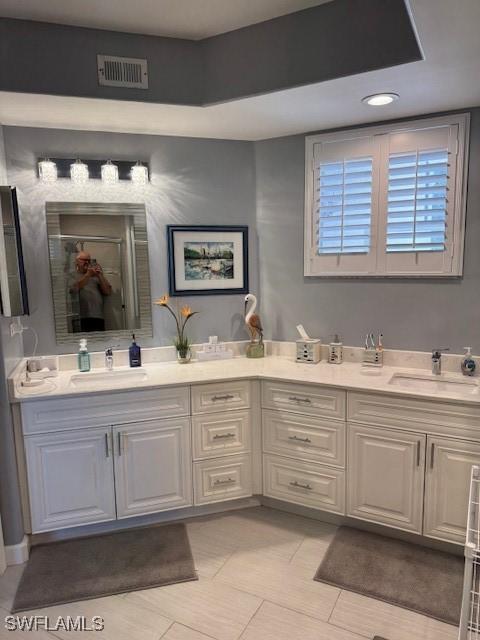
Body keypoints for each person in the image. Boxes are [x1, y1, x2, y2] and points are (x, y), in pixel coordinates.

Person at [69, 251, 112, 332]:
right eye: (84, 260)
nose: (87, 262)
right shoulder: (72, 275)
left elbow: (107, 292)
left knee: (99, 342)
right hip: (80, 318)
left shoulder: (96, 276)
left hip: (98, 317)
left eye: (89, 260)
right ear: (76, 262)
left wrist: (100, 275)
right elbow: (74, 289)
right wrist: (88, 275)